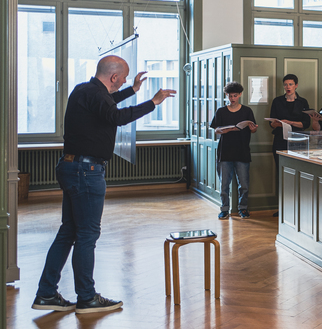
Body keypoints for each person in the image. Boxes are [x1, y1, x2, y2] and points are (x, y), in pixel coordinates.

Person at [33, 55, 176, 314]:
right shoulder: (96, 95)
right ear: (113, 77)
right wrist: (152, 103)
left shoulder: (83, 90)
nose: (121, 83)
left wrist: (131, 90)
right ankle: (86, 297)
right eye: (121, 79)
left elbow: (107, 105)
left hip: (70, 166)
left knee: (68, 232)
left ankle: (45, 293)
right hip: (86, 171)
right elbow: (115, 117)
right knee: (87, 235)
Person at [210, 82, 258, 219]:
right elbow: (216, 130)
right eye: (230, 96)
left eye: (235, 96)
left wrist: (254, 128)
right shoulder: (221, 111)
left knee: (244, 184)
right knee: (224, 184)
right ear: (227, 95)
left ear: (240, 95)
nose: (232, 98)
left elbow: (253, 129)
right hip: (225, 152)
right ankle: (224, 209)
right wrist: (230, 129)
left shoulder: (247, 111)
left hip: (242, 150)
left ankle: (243, 208)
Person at [269, 74, 312, 216]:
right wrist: (277, 123)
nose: (288, 87)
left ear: (296, 85)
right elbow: (272, 123)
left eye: (291, 84)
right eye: (286, 84)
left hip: (298, 140)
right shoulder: (277, 101)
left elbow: (305, 124)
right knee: (282, 174)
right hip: (280, 140)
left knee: (298, 173)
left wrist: (288, 122)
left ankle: (299, 208)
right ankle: (283, 207)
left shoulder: (303, 102)